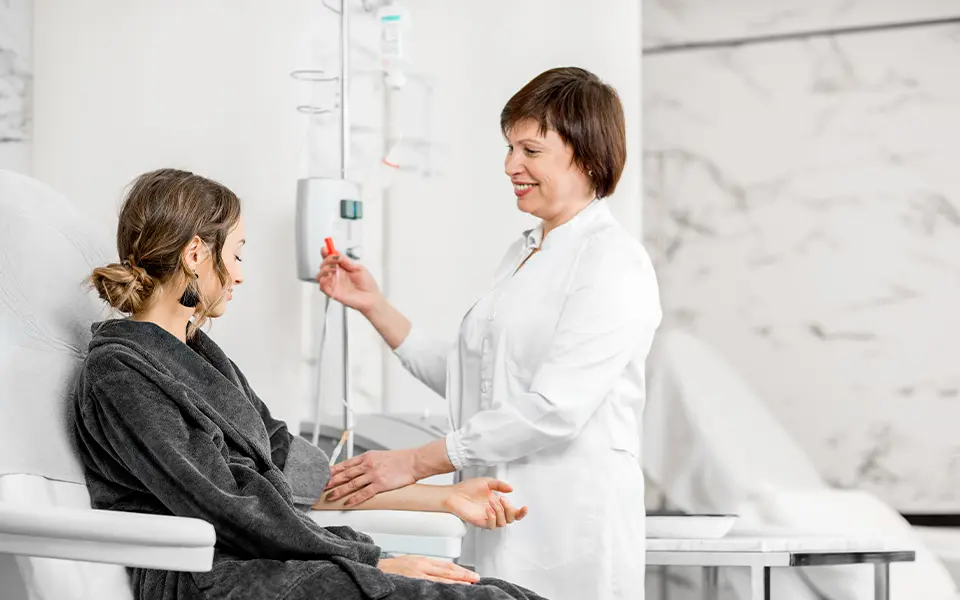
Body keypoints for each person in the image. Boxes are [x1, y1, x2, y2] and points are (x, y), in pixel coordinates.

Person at [74, 168, 547, 600]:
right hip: (208, 577)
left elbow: (290, 466)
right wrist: (374, 560)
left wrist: (442, 497)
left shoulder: (199, 356)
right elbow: (226, 503)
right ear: (196, 254)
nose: (240, 273)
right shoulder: (120, 374)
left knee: (504, 592)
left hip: (264, 555)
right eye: (236, 254)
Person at [316, 67, 662, 599]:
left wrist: (413, 463)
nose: (510, 166)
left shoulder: (613, 262)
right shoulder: (525, 251)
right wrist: (373, 305)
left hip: (568, 517)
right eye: (508, 148)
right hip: (495, 508)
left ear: (588, 157)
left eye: (530, 150)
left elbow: (554, 408)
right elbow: (473, 380)